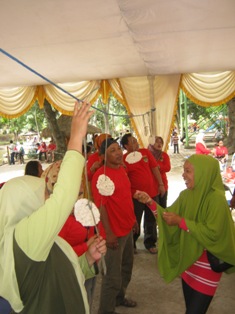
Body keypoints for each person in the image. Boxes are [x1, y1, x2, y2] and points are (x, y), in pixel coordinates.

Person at [0, 101, 107, 314]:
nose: (49, 198)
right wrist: (76, 138)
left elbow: (56, 273)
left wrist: (86, 260)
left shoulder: (34, 239)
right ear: (25, 203)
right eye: (45, 194)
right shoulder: (23, 238)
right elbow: (63, 199)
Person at [134, 154, 235, 314]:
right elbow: (168, 217)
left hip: (207, 265)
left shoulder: (216, 199)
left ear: (203, 173)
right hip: (188, 262)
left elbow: (214, 233)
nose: (183, 175)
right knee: (190, 309)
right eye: (183, 170)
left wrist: (181, 222)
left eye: (188, 171)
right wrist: (149, 202)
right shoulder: (186, 195)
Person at [42, 160, 105, 309]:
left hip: (89, 264)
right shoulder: (55, 216)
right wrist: (86, 247)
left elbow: (95, 226)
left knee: (87, 300)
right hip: (70, 271)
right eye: (75, 180)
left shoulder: (82, 203)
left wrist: (99, 240)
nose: (81, 184)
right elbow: (55, 254)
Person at [92, 138, 137, 314]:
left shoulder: (122, 170)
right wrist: (109, 234)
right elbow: (101, 206)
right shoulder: (101, 176)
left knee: (126, 269)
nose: (118, 153)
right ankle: (106, 310)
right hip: (113, 234)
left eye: (118, 149)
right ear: (103, 156)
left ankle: (119, 298)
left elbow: (125, 198)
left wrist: (133, 220)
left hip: (126, 229)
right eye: (112, 150)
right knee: (112, 277)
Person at [121, 133, 165, 254]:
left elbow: (154, 168)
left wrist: (161, 185)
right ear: (126, 146)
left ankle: (150, 243)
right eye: (132, 142)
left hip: (152, 193)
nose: (136, 143)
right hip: (136, 196)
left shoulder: (145, 152)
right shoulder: (124, 159)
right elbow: (124, 179)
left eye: (136, 140)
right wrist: (133, 193)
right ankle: (132, 244)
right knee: (135, 220)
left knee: (151, 219)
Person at [148, 136, 171, 208]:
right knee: (153, 209)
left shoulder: (164, 155)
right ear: (151, 143)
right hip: (151, 186)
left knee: (162, 207)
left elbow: (168, 167)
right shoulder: (147, 155)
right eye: (156, 142)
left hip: (163, 185)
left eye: (161, 142)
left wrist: (158, 167)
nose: (159, 144)